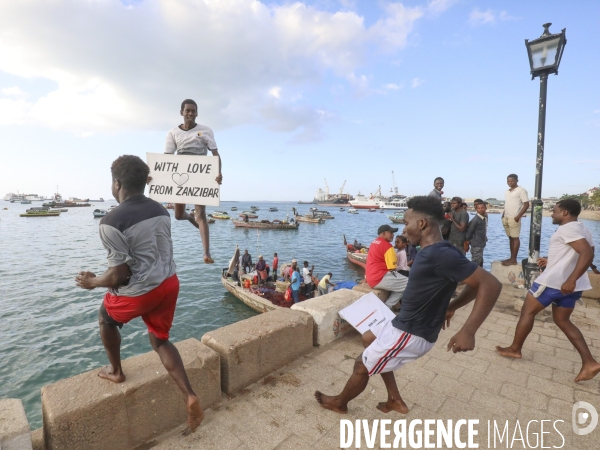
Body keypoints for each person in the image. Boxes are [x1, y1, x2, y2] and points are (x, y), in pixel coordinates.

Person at [314, 196, 501, 415]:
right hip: (404, 322)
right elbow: (475, 281)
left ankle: (339, 403)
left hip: (412, 332)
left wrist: (468, 331)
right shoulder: (439, 251)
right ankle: (394, 399)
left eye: (406, 223)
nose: (403, 230)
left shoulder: (439, 254)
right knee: (368, 338)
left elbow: (490, 285)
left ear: (421, 224)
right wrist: (453, 306)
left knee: (361, 365)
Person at [75, 155, 203, 434]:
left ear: (117, 183)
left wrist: (92, 281)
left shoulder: (111, 222)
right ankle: (190, 396)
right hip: (168, 283)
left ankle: (116, 372)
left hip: (140, 293)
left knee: (105, 318)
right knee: (160, 340)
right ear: (144, 182)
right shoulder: (160, 209)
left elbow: (118, 275)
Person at [496, 199, 600, 382]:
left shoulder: (567, 229)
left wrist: (571, 279)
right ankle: (589, 362)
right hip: (571, 286)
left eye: (555, 210)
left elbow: (586, 253)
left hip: (555, 283)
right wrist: (553, 262)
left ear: (565, 212)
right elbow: (586, 252)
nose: (552, 213)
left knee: (527, 312)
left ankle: (515, 349)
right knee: (563, 320)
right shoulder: (582, 227)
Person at [165, 99, 223, 264]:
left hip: (201, 175)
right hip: (180, 174)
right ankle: (190, 218)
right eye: (187, 110)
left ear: (197, 113)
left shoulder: (206, 131)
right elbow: (166, 159)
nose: (190, 113)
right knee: (178, 215)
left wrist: (218, 173)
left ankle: (206, 253)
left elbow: (215, 155)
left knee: (201, 213)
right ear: (181, 112)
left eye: (193, 111)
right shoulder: (172, 133)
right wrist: (154, 176)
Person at [365, 224, 408, 309]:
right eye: (391, 232)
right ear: (384, 233)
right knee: (410, 283)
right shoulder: (387, 246)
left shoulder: (374, 242)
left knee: (401, 285)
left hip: (370, 277)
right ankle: (387, 307)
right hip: (379, 277)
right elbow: (392, 268)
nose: (393, 235)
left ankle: (388, 306)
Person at [501, 174, 530, 266]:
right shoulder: (507, 191)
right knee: (510, 237)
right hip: (506, 217)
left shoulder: (521, 190)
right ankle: (511, 257)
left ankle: (514, 259)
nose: (510, 183)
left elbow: (526, 204)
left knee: (515, 237)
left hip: (514, 218)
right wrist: (503, 214)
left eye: (512, 181)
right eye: (508, 181)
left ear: (517, 180)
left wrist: (518, 217)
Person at [465, 199, 488, 267]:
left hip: (481, 243)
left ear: (485, 208)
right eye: (478, 208)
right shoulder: (476, 220)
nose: (480, 209)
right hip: (476, 243)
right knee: (476, 262)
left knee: (480, 261)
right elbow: (470, 231)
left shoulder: (484, 217)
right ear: (476, 209)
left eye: (482, 208)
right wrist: (467, 241)